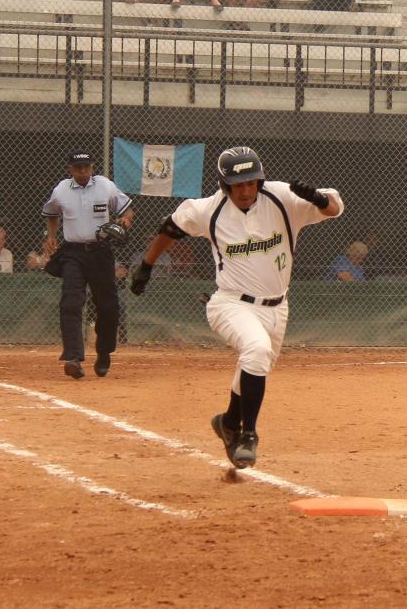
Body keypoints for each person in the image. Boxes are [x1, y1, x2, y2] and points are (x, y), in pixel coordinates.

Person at [129, 147, 343, 470]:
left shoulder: (282, 198)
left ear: (259, 180)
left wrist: (316, 198)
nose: (245, 191)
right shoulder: (208, 210)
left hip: (278, 306)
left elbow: (335, 208)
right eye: (237, 185)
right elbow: (170, 228)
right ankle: (248, 435)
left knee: (256, 365)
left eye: (250, 183)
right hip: (230, 303)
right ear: (224, 185)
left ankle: (228, 421)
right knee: (256, 350)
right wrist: (145, 266)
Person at [42, 151, 134, 379]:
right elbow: (51, 213)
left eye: (86, 167)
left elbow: (126, 208)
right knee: (71, 302)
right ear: (70, 170)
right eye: (77, 168)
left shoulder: (105, 186)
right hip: (73, 253)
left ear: (93, 167)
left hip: (100, 252)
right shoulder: (61, 190)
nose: (82, 172)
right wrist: (51, 236)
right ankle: (73, 357)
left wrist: (125, 221)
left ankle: (103, 352)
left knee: (108, 306)